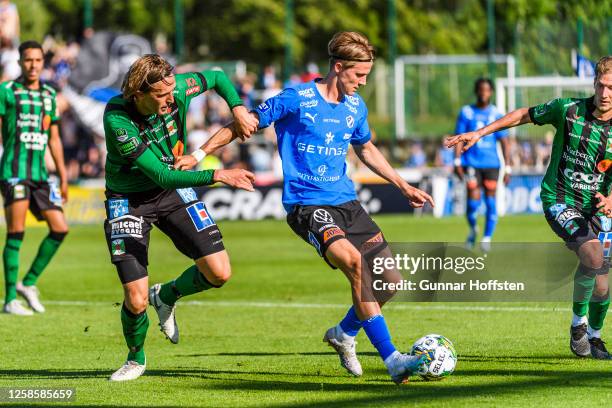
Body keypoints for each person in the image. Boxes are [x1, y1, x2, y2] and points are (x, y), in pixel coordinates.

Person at [175, 32, 435, 383]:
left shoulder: (356, 107)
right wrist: (198, 154)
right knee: (356, 265)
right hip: (308, 205)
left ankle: (343, 334)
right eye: (358, 76)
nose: (362, 83)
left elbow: (367, 148)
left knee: (388, 282)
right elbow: (244, 123)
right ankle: (393, 360)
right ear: (338, 68)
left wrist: (402, 185)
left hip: (347, 202)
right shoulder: (297, 98)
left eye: (366, 77)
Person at [445, 56, 612, 360]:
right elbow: (523, 114)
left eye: (611, 88)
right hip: (559, 198)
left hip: (597, 208)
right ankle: (578, 327)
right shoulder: (568, 110)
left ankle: (595, 337)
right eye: (600, 86)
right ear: (593, 84)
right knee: (593, 254)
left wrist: (610, 200)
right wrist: (480, 133)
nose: (604, 93)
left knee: (603, 285)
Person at [103, 54, 257, 381]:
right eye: (161, 95)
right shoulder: (118, 119)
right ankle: (135, 358)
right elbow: (162, 176)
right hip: (129, 201)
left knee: (219, 272)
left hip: (172, 192)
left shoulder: (177, 89)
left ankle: (168, 295)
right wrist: (217, 174)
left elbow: (216, 75)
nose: (171, 98)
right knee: (135, 297)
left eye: (172, 90)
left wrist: (238, 107)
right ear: (138, 94)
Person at [0, 41, 68, 315]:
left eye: (38, 60)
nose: (33, 65)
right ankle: (10, 299)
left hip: (41, 175)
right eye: (28, 60)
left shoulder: (50, 95)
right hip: (14, 172)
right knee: (16, 232)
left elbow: (54, 138)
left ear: (43, 63)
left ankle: (28, 283)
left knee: (60, 228)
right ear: (20, 62)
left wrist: (62, 175)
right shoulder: (7, 91)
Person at [453, 78, 510, 252]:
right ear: (477, 91)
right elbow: (459, 138)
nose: (484, 93)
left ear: (491, 92)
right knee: (473, 200)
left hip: (492, 164)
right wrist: (456, 161)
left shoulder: (496, 114)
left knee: (491, 200)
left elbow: (505, 142)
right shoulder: (466, 112)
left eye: (487, 90)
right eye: (481, 90)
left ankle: (486, 238)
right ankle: (472, 229)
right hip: (471, 162)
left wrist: (508, 167)